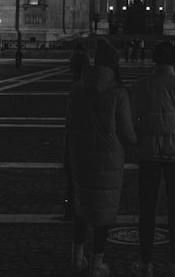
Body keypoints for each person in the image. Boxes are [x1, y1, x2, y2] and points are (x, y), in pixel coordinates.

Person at [129, 41, 175, 277]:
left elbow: (130, 120)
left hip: (148, 153)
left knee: (147, 207)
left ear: (154, 59)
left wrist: (139, 140)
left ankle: (145, 262)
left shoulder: (140, 86)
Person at [65, 39, 136, 277]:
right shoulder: (118, 92)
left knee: (81, 206)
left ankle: (77, 258)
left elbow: (69, 124)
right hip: (108, 159)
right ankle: (97, 264)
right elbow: (126, 132)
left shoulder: (77, 88)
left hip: (81, 156)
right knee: (103, 209)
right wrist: (137, 140)